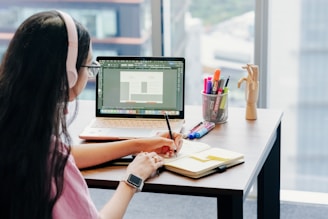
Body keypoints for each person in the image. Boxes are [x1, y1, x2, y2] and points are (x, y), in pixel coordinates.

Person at [0, 10, 182, 219]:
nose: (90, 72)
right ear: (69, 75)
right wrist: (132, 179)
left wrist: (139, 144)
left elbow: (64, 152)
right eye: (89, 65)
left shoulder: (16, 128)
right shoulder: (50, 163)